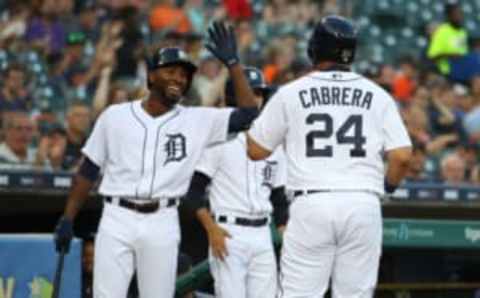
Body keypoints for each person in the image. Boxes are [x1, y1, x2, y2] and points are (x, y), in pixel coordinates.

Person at [53, 21, 259, 298]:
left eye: (184, 75)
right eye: (170, 71)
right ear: (151, 77)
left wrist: (233, 63)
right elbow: (88, 171)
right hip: (117, 215)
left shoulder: (196, 119)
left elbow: (247, 114)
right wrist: (68, 218)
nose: (178, 79)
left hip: (162, 218)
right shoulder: (115, 115)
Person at [246, 15, 413, 297]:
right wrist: (387, 188)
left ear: (315, 49)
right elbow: (402, 157)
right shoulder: (377, 94)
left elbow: (256, 150)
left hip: (312, 202)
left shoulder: (291, 92)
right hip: (363, 202)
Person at [184, 67, 288, 298]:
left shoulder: (274, 142)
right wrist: (212, 229)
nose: (256, 99)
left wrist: (286, 236)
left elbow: (279, 199)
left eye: (259, 94)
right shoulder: (218, 140)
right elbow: (193, 190)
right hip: (229, 231)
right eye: (251, 93)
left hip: (263, 233)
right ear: (234, 96)